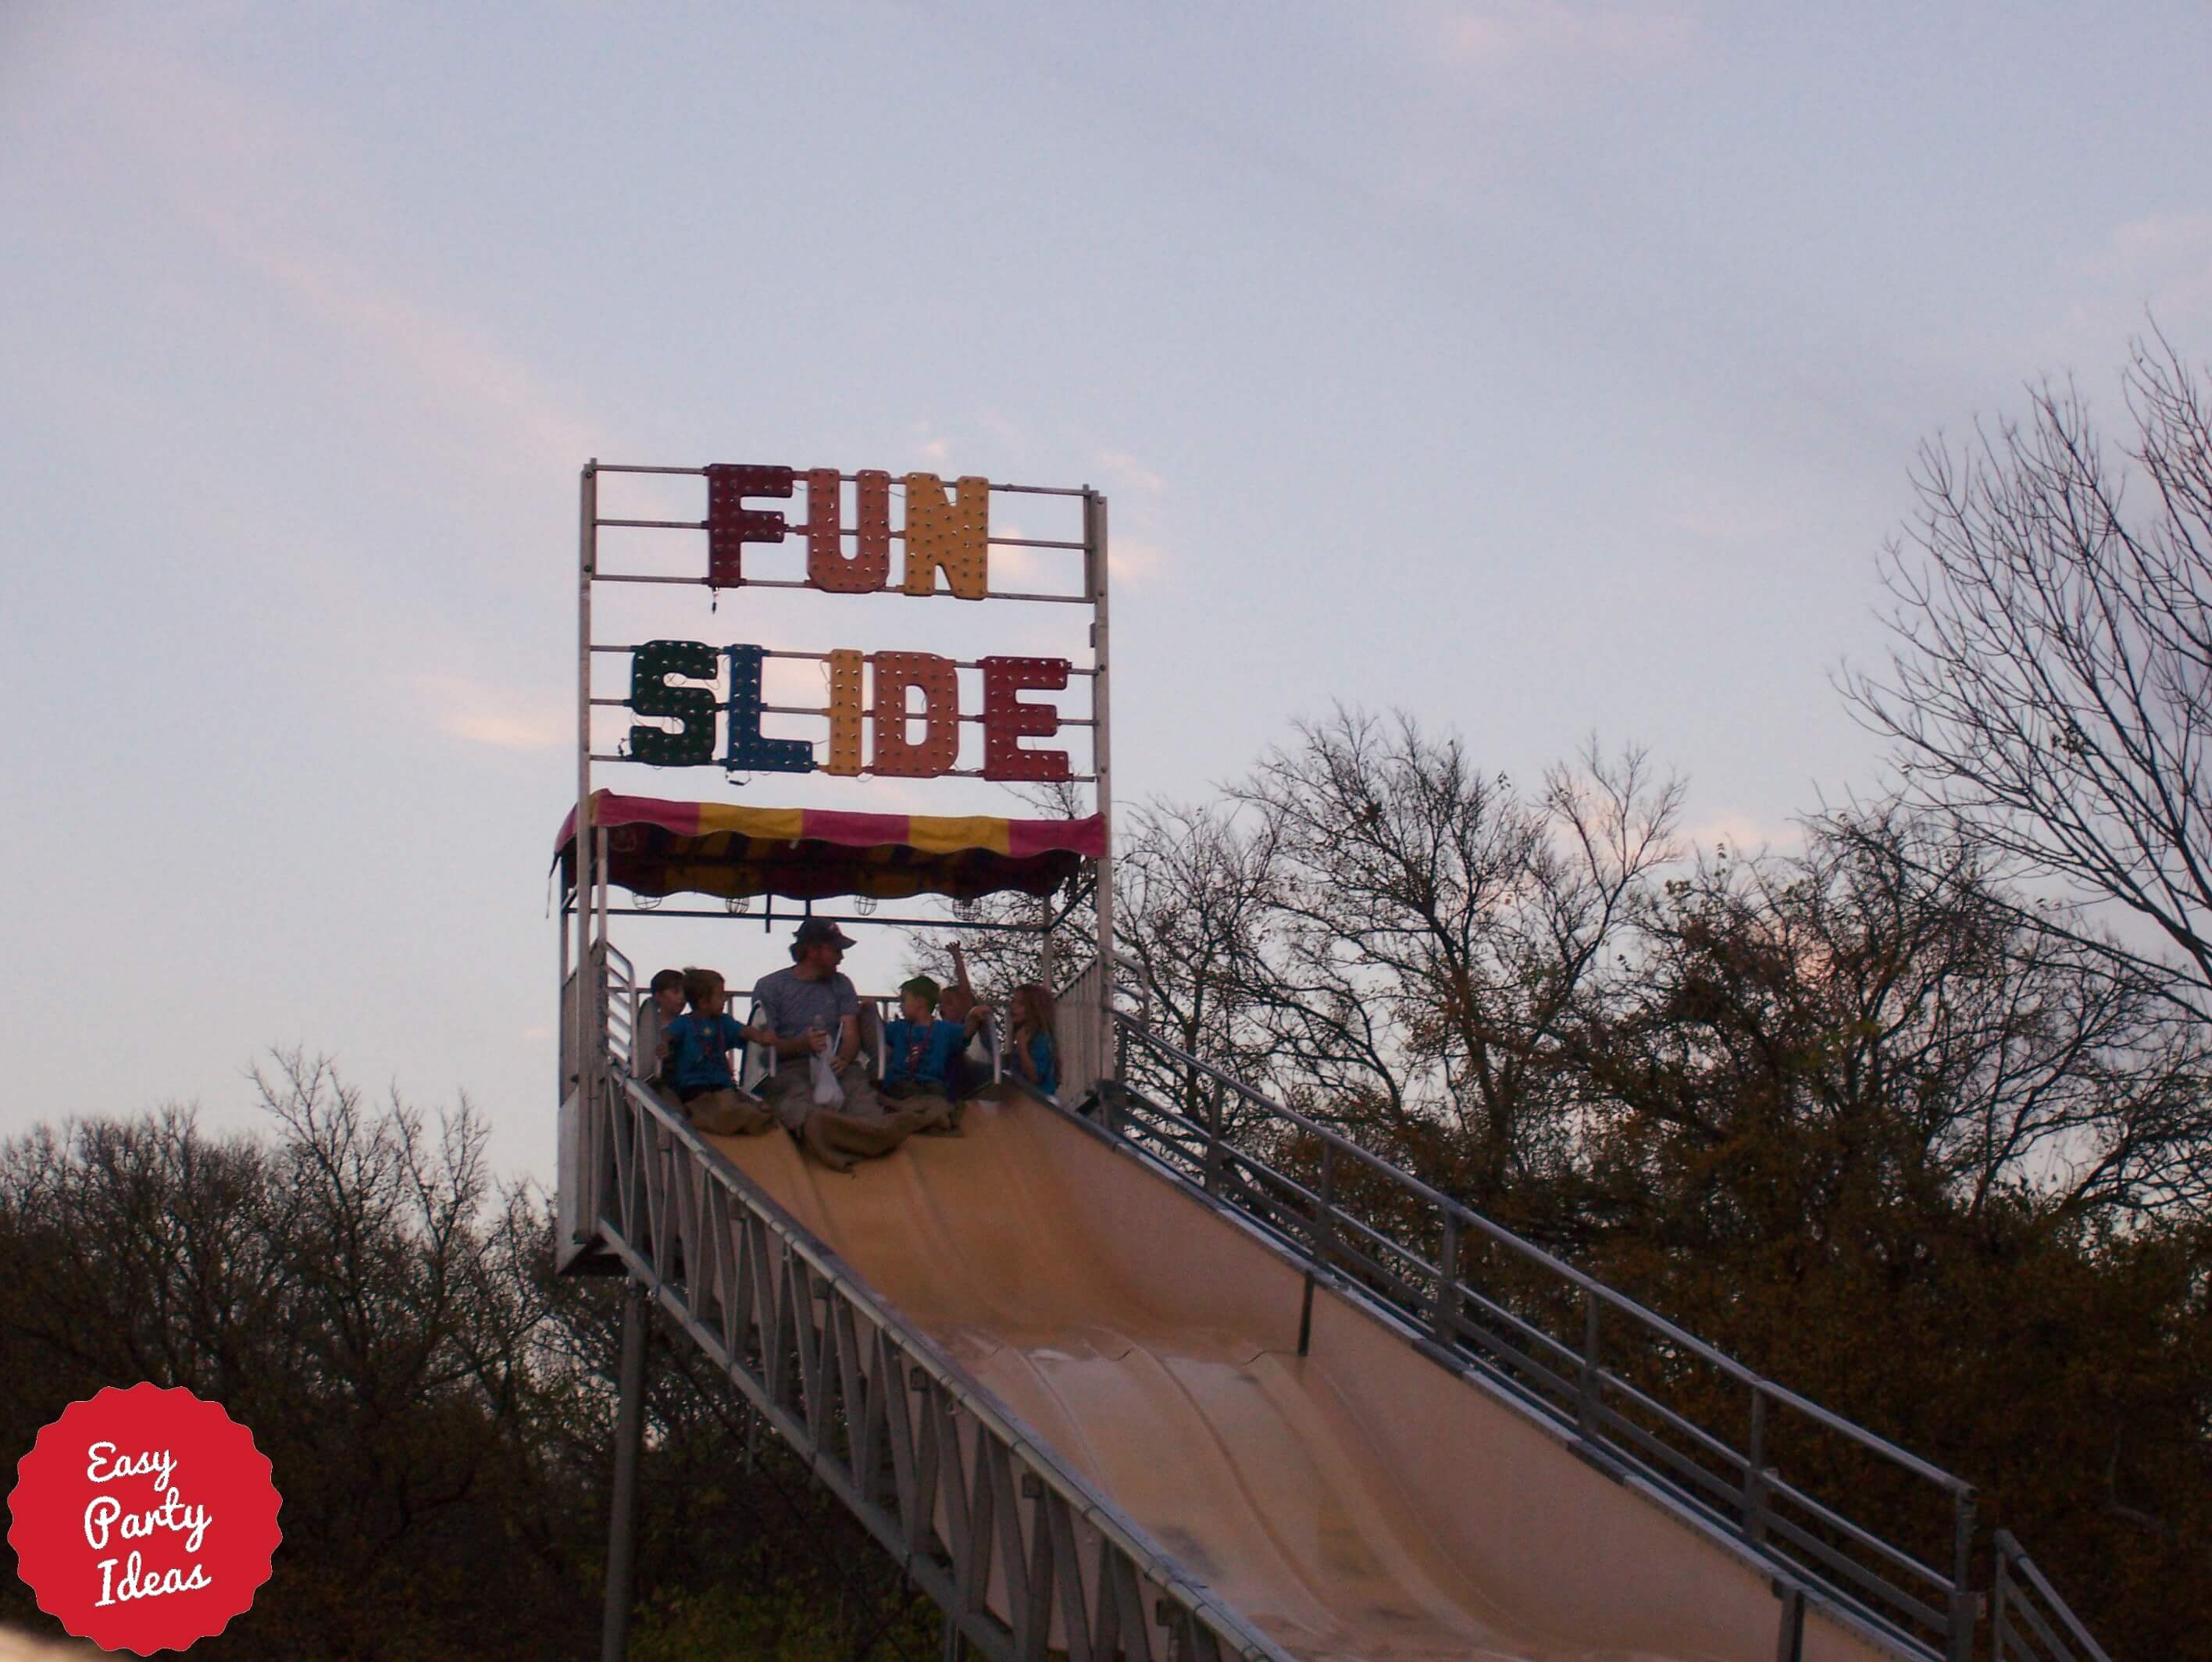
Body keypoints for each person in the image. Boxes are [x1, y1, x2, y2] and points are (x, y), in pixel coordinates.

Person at [751, 919, 932, 1172]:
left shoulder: (842, 984)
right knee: (794, 1095)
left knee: (859, 1094)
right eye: (835, 950)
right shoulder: (770, 986)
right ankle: (837, 1131)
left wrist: (845, 1059)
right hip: (790, 1067)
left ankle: (855, 1131)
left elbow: (850, 1032)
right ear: (812, 950)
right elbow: (765, 1049)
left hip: (835, 1065)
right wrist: (801, 1044)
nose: (841, 957)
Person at [660, 968, 775, 1137]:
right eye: (720, 996)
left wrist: (761, 1037)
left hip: (721, 1084)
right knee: (706, 1108)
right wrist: (663, 1045)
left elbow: (744, 1031)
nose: (724, 1000)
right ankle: (736, 1118)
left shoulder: (724, 1022)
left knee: (728, 1099)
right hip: (693, 1086)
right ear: (703, 1002)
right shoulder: (684, 1023)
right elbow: (667, 1034)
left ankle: (744, 1115)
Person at [879, 973, 986, 1132]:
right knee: (892, 1094)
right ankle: (923, 1115)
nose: (900, 1006)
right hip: (902, 1083)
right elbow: (876, 1032)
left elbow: (966, 1032)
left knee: (938, 1099)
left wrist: (975, 1015)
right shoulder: (898, 1028)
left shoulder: (944, 1029)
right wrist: (868, 1011)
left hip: (932, 1085)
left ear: (920, 1002)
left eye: (904, 1000)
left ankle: (921, 1114)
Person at [937, 941, 995, 1101]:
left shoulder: (966, 1022)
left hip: (969, 1080)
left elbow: (965, 990)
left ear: (965, 1005)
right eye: (940, 1003)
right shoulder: (942, 1029)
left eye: (949, 1002)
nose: (942, 1007)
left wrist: (957, 958)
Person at [634, 968, 687, 1090]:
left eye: (685, 993)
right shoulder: (647, 1027)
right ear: (658, 996)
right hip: (658, 1083)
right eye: (676, 992)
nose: (682, 998)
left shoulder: (688, 1024)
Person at [1006, 981, 1060, 1100]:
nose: (1013, 1007)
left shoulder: (1042, 1040)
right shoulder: (1022, 1040)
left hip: (1040, 1106)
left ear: (1035, 1009)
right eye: (1013, 1002)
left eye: (1020, 1004)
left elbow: (1034, 1076)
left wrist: (1022, 1048)